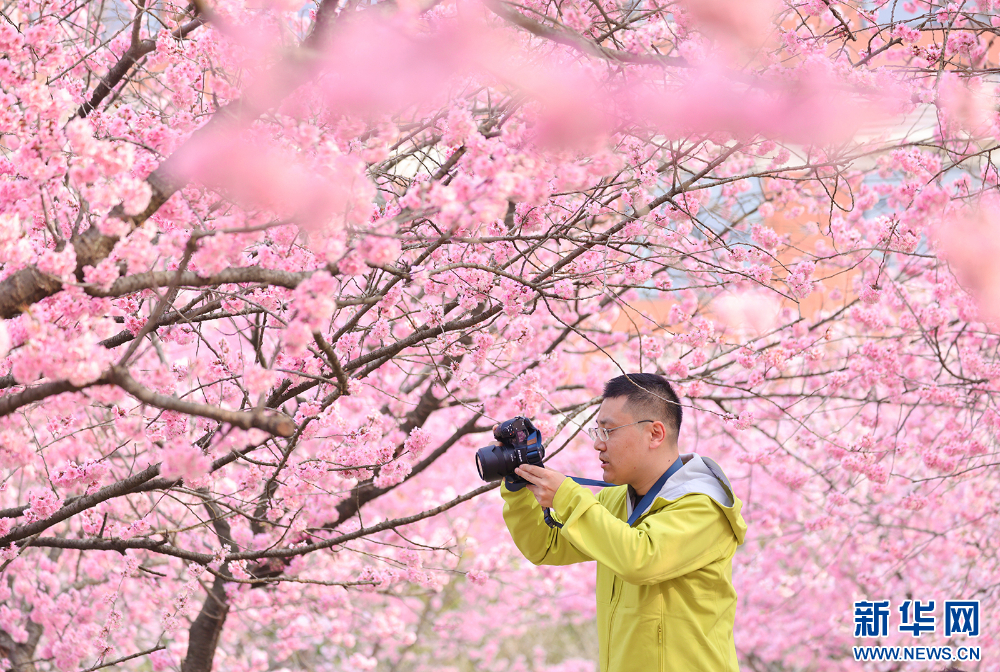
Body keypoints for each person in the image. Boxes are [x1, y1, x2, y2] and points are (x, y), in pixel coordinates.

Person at [501, 372, 748, 672]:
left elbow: (641, 559)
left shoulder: (703, 506)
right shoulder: (616, 500)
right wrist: (518, 485)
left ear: (655, 434)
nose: (598, 445)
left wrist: (566, 496)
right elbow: (545, 546)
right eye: (598, 432)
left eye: (609, 431)